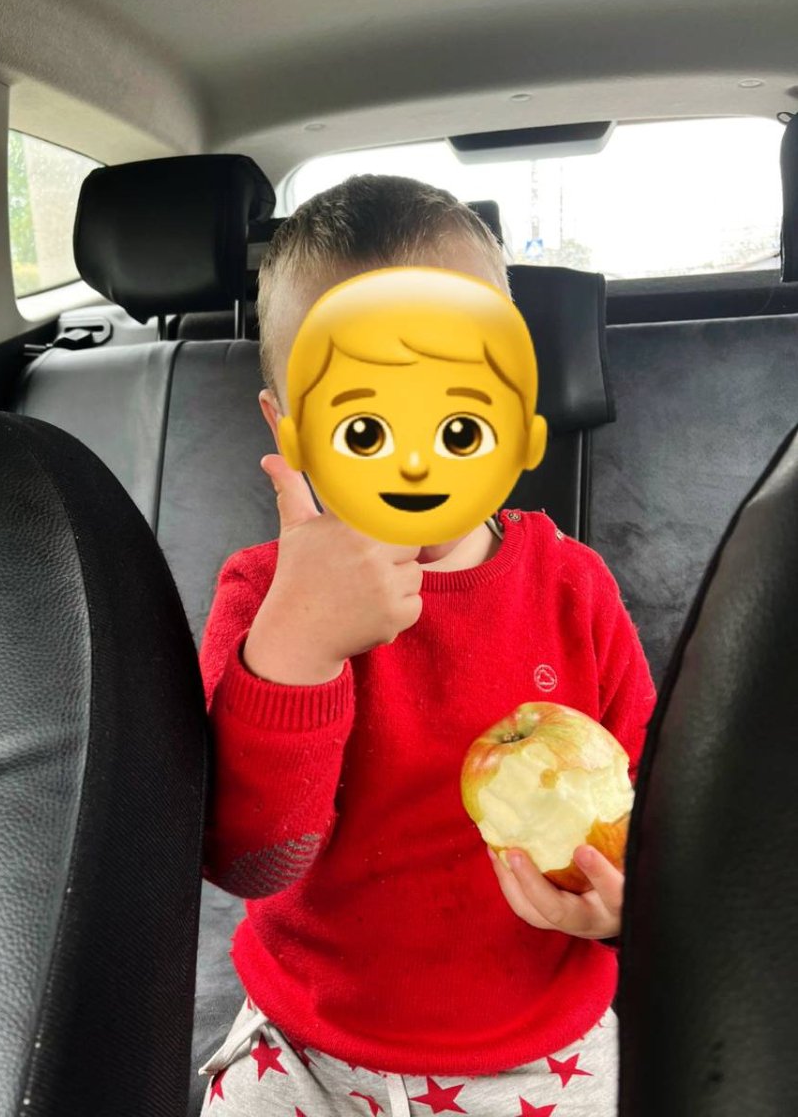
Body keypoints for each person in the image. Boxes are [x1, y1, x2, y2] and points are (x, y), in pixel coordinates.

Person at [197, 174, 655, 1116]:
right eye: (366, 427)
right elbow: (249, 861)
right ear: (290, 429)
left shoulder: (572, 589)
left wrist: (625, 906)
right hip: (307, 1045)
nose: (415, 463)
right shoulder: (264, 598)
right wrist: (298, 651)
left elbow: (655, 803)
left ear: (518, 417)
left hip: (545, 1050)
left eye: (457, 423)